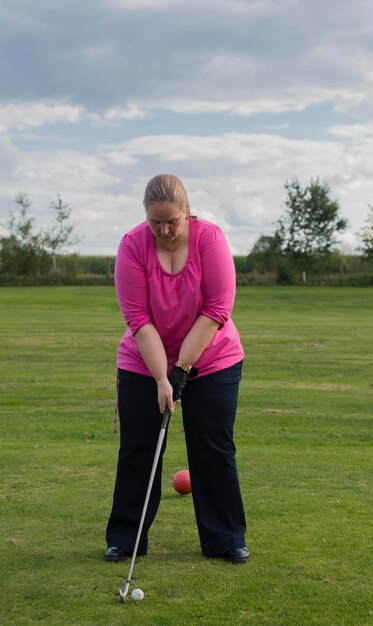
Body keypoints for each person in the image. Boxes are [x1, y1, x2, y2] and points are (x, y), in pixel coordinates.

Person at [105, 174, 249, 564]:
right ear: (145, 217)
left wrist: (181, 370)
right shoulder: (132, 246)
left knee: (213, 446)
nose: (165, 230)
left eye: (173, 221)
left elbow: (217, 310)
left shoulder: (210, 239)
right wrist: (160, 378)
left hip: (213, 356)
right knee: (140, 448)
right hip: (143, 360)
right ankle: (126, 538)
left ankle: (226, 539)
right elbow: (139, 319)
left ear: (187, 211)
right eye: (156, 223)